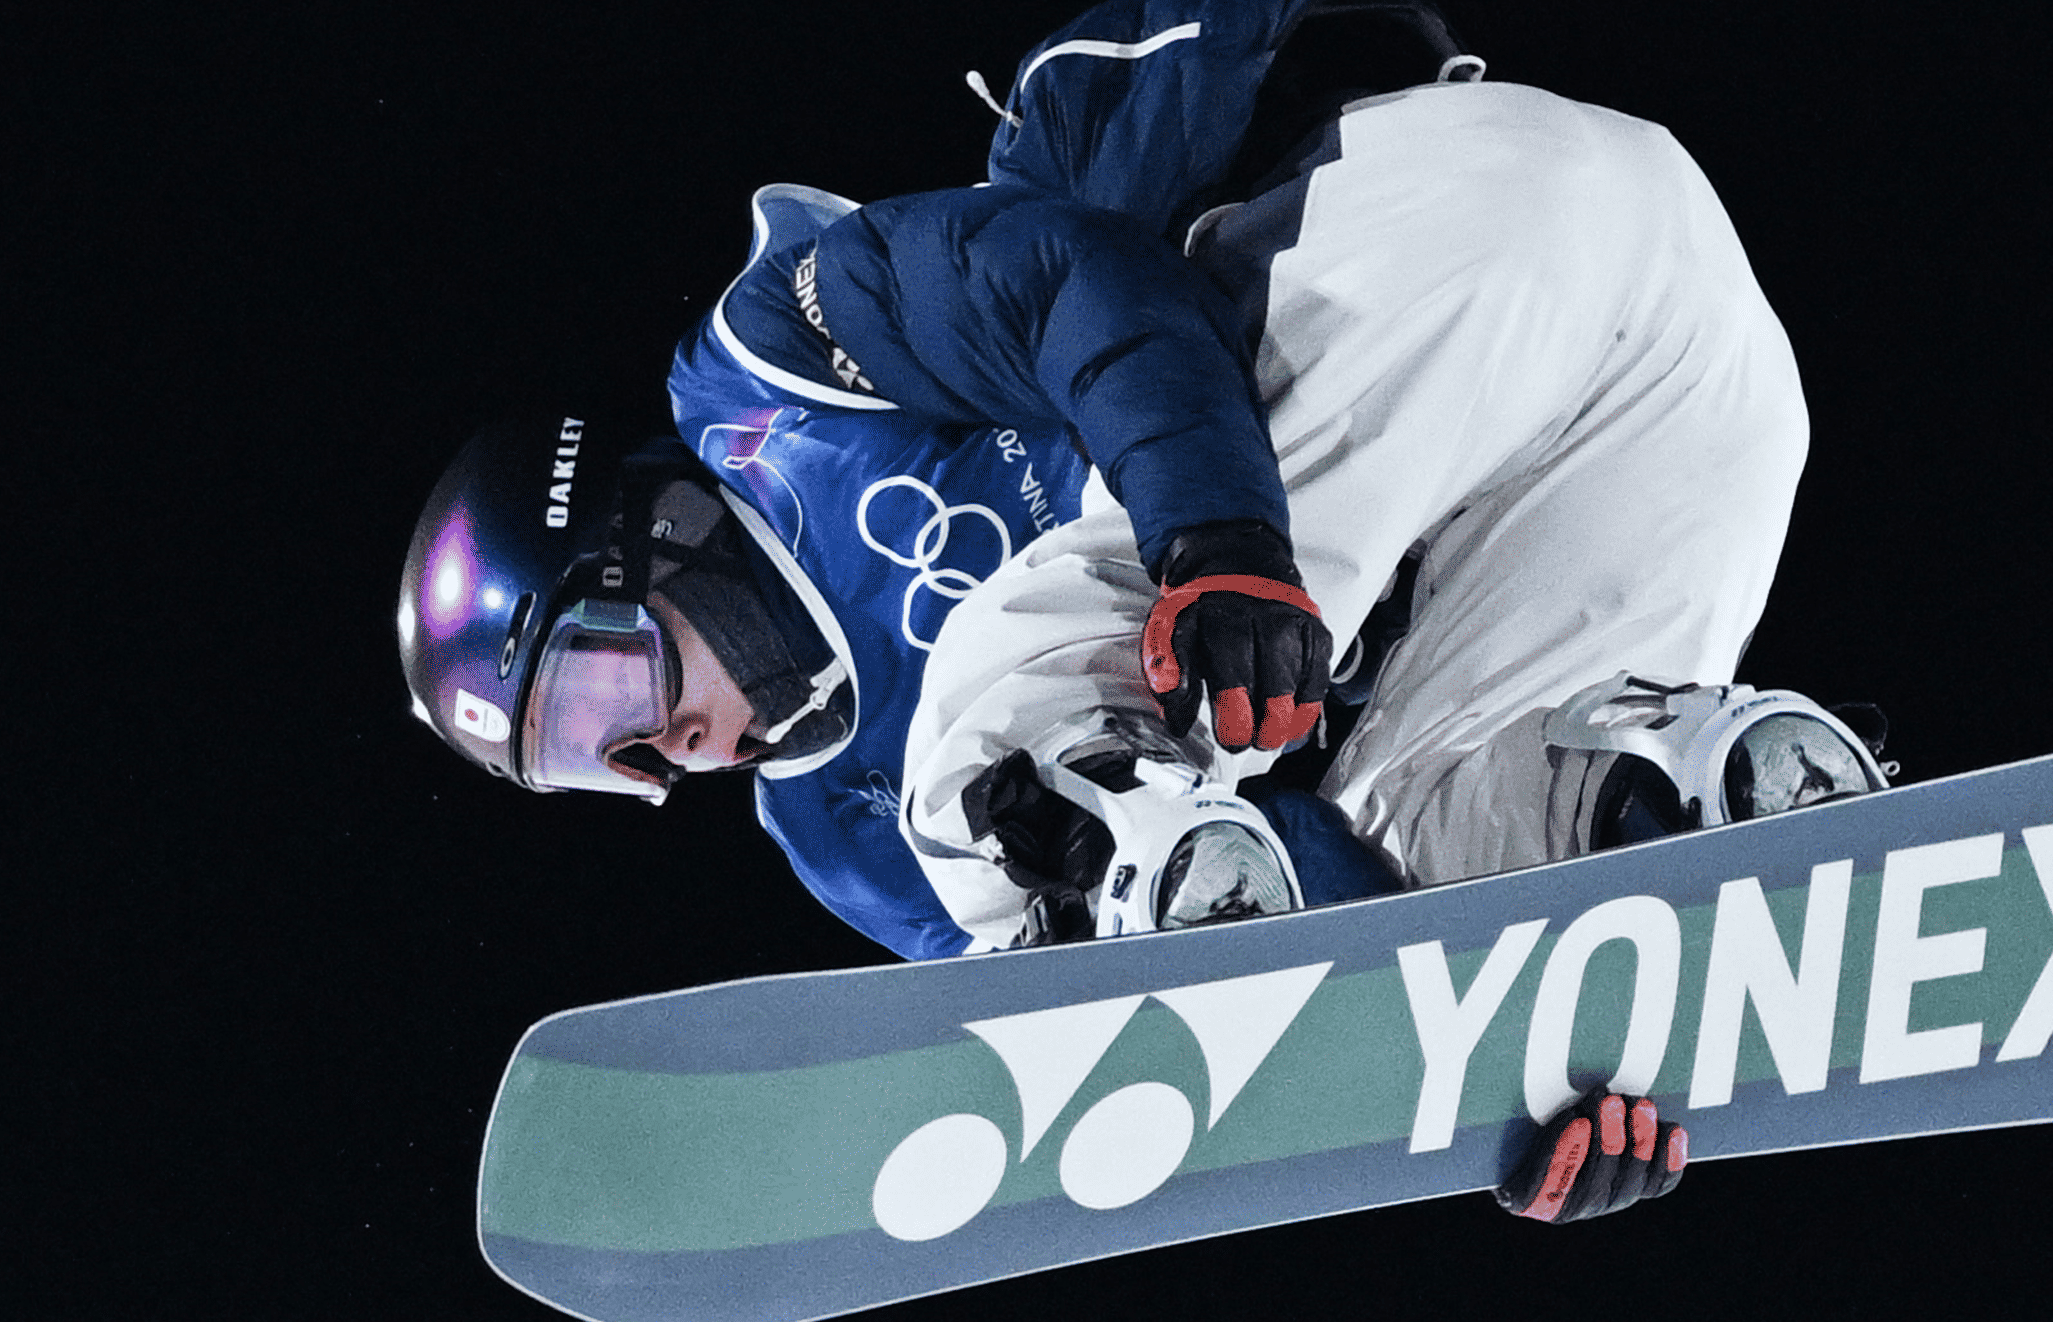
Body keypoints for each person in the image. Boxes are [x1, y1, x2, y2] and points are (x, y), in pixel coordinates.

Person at [397, 0, 1881, 1216]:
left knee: (1000, 714)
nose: (662, 758)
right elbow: (1340, 929)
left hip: (1433, 237)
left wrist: (1217, 536)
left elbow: (1066, 280)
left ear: (644, 534)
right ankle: (1679, 793)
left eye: (601, 693)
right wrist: (1527, 1071)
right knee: (1435, 821)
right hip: (1688, 368)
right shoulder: (831, 831)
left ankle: (1116, 848)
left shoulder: (771, 368)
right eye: (595, 768)